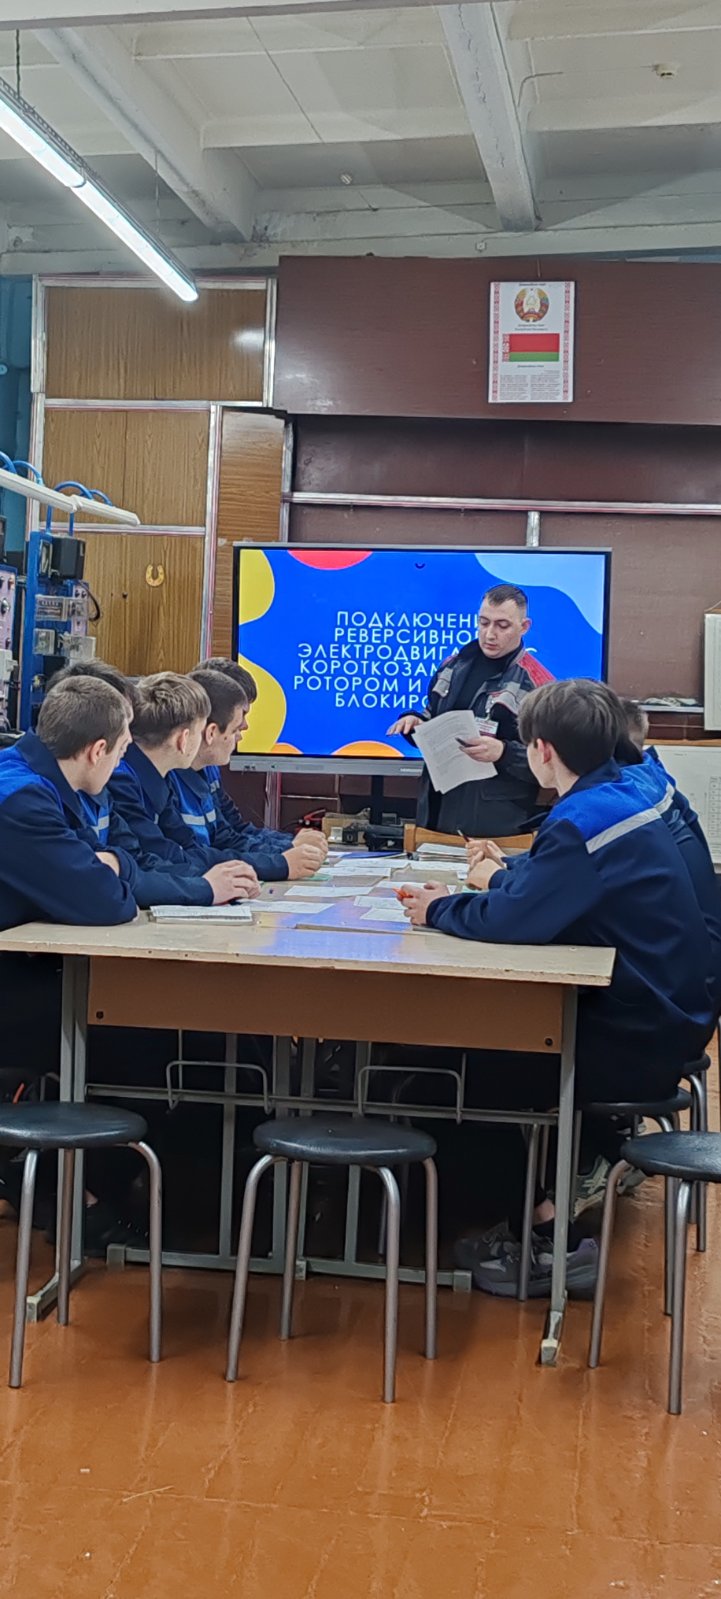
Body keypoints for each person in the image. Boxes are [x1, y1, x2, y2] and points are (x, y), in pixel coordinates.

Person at [399, 679, 717, 1296]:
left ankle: (547, 1238)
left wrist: (436, 910)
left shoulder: (582, 819)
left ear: (542, 751)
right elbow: (555, 888)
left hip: (635, 1036)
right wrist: (503, 880)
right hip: (670, 1012)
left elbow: (515, 920)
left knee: (465, 1068)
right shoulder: (617, 794)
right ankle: (549, 1203)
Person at [49, 661, 255, 909]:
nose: (128, 740)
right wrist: (205, 887)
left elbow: (147, 856)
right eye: (124, 729)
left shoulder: (120, 782)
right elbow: (105, 884)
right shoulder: (115, 780)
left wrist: (216, 882)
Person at [388, 584, 551, 839]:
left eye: (502, 626)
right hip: (435, 815)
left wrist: (504, 752)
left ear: (524, 627)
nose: (490, 634)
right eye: (483, 623)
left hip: (494, 827)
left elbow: (551, 761)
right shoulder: (452, 666)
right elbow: (432, 715)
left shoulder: (538, 685)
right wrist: (415, 723)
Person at [169, 666, 327, 881]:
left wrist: (287, 847)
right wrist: (280, 860)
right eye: (240, 718)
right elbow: (189, 857)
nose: (245, 727)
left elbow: (228, 833)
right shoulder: (166, 777)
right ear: (211, 730)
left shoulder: (206, 770)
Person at [107, 672, 260, 894]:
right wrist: (207, 886)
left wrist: (229, 875)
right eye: (200, 731)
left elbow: (183, 848)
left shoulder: (161, 776)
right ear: (183, 739)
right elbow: (146, 860)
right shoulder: (122, 780)